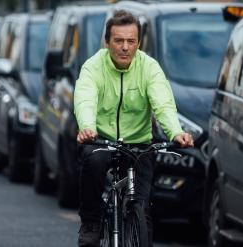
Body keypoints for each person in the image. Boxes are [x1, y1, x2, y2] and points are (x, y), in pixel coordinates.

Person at [72, 10, 194, 247]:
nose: (125, 47)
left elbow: (163, 103)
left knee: (141, 205)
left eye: (131, 41)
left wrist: (175, 132)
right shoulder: (93, 67)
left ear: (139, 42)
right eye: (118, 41)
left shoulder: (149, 67)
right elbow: (85, 98)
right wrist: (87, 127)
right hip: (101, 140)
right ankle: (91, 223)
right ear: (107, 42)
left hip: (139, 144)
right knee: (93, 164)